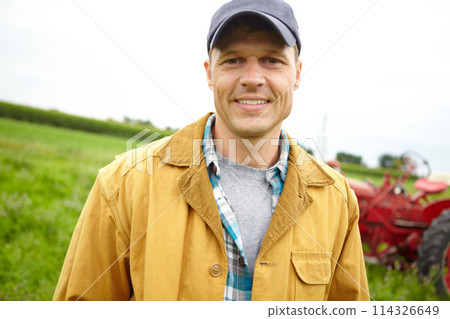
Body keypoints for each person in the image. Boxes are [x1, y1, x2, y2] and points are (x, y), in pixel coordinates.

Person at [53, 0, 369, 301]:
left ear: (297, 73)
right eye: (233, 60)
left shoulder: (337, 200)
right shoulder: (123, 184)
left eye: (272, 60)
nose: (252, 79)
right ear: (209, 72)